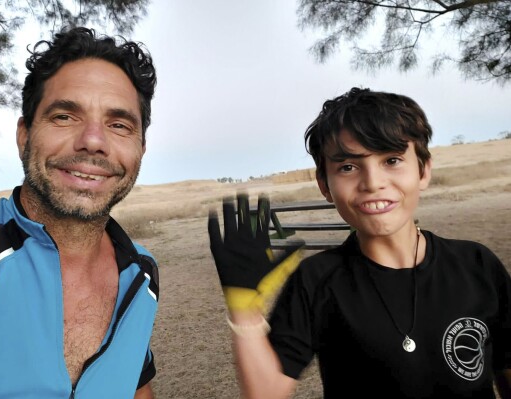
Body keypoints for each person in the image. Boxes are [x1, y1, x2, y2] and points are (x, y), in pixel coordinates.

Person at [208, 87, 511, 398]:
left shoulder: (477, 265)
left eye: (392, 160)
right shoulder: (316, 280)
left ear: (423, 170)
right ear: (324, 185)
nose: (372, 183)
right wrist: (244, 310)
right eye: (348, 167)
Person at [0, 27, 159, 398]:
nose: (93, 141)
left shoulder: (142, 274)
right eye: (64, 116)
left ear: (140, 147)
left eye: (119, 124)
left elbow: (135, 384)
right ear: (24, 135)